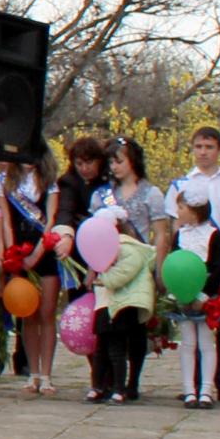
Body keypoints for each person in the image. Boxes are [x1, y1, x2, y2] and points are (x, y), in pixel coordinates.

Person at [167, 126, 220, 405]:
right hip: (187, 260)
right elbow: (173, 227)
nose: (203, 152)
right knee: (190, 330)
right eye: (199, 146)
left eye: (209, 147)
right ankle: (191, 384)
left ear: (219, 150)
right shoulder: (180, 185)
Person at [88, 140, 172, 405]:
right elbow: (93, 234)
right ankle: (106, 382)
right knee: (106, 327)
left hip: (138, 265)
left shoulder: (152, 194)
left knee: (134, 327)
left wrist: (158, 268)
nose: (115, 167)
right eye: (111, 162)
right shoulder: (101, 195)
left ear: (133, 160)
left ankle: (132, 381)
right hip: (108, 266)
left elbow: (160, 234)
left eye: (120, 161)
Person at [0, 157, 60, 396]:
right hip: (19, 252)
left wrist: (37, 253)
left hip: (44, 251)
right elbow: (4, 220)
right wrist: (13, 253)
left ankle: (47, 375)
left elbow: (51, 219)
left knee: (46, 313)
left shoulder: (49, 181)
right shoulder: (4, 181)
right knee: (27, 314)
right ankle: (33, 373)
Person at [170, 190, 220, 409]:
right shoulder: (180, 235)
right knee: (187, 343)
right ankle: (188, 389)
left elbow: (218, 267)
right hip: (183, 294)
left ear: (194, 211)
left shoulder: (213, 235)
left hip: (205, 296)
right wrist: (179, 291)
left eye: (181, 208)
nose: (178, 212)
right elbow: (174, 264)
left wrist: (204, 294)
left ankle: (206, 389)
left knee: (206, 343)